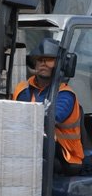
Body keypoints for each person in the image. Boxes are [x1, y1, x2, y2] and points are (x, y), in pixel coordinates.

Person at [13, 38, 83, 173]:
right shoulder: (22, 89)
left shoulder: (65, 94)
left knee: (41, 147)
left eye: (49, 59)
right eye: (39, 60)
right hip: (34, 147)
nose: (43, 63)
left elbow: (50, 118)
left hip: (66, 155)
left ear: (60, 64)